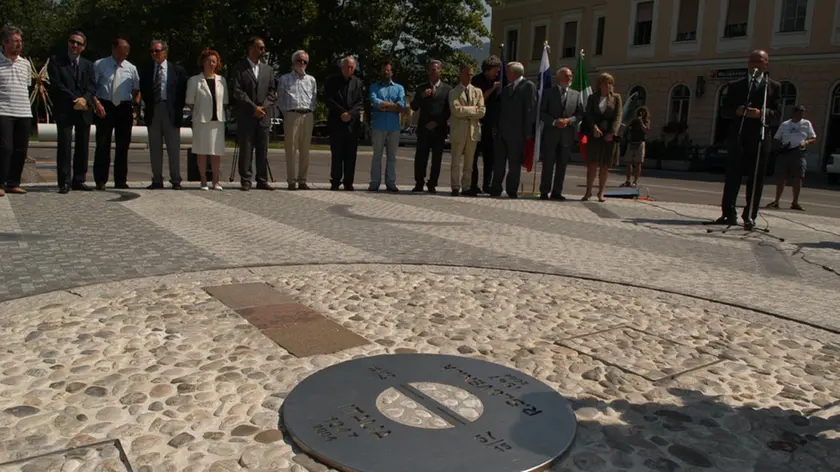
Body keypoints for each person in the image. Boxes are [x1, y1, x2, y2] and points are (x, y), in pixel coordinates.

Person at [714, 50, 782, 230]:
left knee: (756, 178)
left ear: (766, 64)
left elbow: (777, 113)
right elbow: (724, 111)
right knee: (733, 176)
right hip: (738, 135)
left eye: (759, 62)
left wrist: (761, 114)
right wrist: (736, 111)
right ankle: (728, 213)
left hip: (759, 137)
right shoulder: (736, 85)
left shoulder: (772, 87)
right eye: (752, 61)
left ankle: (750, 215)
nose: (755, 65)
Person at [47, 30, 96, 194]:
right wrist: (76, 99)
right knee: (65, 146)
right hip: (65, 109)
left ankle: (79, 179)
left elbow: (92, 86)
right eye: (72, 41)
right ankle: (64, 182)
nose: (74, 45)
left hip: (83, 110)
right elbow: (56, 84)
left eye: (78, 43)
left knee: (82, 145)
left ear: (83, 47)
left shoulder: (88, 65)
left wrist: (85, 99)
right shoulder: (55, 61)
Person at [91, 37, 140, 190]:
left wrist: (135, 103)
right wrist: (96, 103)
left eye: (126, 54)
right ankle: (100, 180)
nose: (123, 56)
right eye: (120, 53)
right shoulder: (100, 65)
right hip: (105, 105)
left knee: (123, 145)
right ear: (113, 50)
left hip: (124, 107)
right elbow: (91, 87)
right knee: (103, 144)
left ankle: (120, 180)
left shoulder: (131, 68)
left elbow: (136, 89)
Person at [139, 40, 187, 190]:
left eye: (157, 51)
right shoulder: (146, 70)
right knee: (154, 147)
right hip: (153, 110)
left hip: (170, 110)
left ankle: (176, 179)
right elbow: (144, 91)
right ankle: (157, 179)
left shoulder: (177, 70)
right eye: (152, 51)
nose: (154, 54)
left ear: (165, 52)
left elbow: (182, 92)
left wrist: (178, 111)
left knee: (173, 147)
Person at [231, 36, 276, 191]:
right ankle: (246, 180)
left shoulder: (268, 70)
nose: (263, 50)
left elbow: (271, 92)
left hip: (263, 115)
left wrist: (262, 108)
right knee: (246, 148)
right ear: (251, 48)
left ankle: (262, 179)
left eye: (263, 48)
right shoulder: (239, 67)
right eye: (260, 47)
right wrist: (253, 108)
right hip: (246, 115)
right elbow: (238, 92)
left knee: (263, 149)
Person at [490, 61, 535, 198]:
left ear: (514, 73)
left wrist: (528, 132)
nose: (505, 74)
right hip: (502, 132)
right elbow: (500, 110)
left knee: (514, 164)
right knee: (499, 163)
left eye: (508, 71)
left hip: (517, 133)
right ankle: (496, 188)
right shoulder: (507, 89)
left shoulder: (528, 86)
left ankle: (512, 189)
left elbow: (530, 109)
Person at [185, 50, 228, 190]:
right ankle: (203, 180)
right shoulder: (194, 80)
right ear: (203, 62)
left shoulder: (222, 80)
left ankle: (216, 180)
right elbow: (190, 102)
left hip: (218, 121)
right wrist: (201, 111)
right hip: (201, 121)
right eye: (208, 61)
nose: (211, 64)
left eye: (214, 61)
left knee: (216, 152)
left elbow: (225, 101)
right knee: (202, 151)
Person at [538, 67, 583, 201]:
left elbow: (580, 114)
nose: (570, 78)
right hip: (551, 134)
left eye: (570, 76)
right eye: (567, 76)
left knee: (562, 165)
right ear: (559, 78)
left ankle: (557, 192)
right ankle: (544, 191)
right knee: (548, 164)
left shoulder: (576, 94)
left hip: (567, 136)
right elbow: (541, 112)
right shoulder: (548, 93)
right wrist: (554, 122)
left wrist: (569, 121)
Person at [0, 25, 33, 197]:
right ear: (4, 43)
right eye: (15, 41)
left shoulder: (25, 64)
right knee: (6, 148)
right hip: (4, 111)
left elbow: (26, 86)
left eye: (20, 41)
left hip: (24, 111)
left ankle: (13, 183)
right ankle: (1, 182)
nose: (19, 44)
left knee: (21, 149)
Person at [410, 60, 451, 193]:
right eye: (431, 70)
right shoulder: (421, 87)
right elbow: (414, 106)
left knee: (436, 159)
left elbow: (448, 110)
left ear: (441, 71)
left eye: (436, 69)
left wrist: (437, 122)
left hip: (439, 129)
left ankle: (432, 183)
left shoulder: (447, 89)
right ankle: (419, 182)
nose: (433, 72)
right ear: (427, 71)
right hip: (423, 129)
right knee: (421, 157)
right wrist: (422, 96)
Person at [278, 49, 317, 190]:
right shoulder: (284, 79)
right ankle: (291, 181)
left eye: (305, 61)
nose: (302, 63)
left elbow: (314, 99)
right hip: (291, 115)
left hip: (307, 115)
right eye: (299, 60)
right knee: (291, 149)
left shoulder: (311, 80)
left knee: (305, 150)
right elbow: (280, 99)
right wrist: (288, 113)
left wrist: (309, 110)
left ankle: (302, 180)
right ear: (293, 62)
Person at [582, 73, 622, 202]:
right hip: (595, 134)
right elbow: (588, 114)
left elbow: (618, 117)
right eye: (606, 83)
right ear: (600, 85)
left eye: (611, 83)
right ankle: (588, 192)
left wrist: (612, 132)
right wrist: (594, 127)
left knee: (605, 165)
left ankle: (601, 192)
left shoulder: (616, 98)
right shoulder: (593, 98)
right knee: (592, 164)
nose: (609, 86)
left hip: (609, 136)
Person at [324, 56, 363, 191]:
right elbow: (329, 100)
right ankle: (335, 181)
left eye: (352, 67)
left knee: (351, 155)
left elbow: (360, 103)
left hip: (352, 125)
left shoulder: (358, 83)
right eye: (347, 67)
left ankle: (348, 182)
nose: (350, 69)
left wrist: (350, 114)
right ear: (342, 67)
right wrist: (342, 113)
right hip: (337, 122)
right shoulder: (332, 81)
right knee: (337, 154)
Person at [766, 104, 815, 211]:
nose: (801, 114)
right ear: (794, 113)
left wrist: (806, 142)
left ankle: (795, 202)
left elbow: (813, 137)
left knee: (798, 177)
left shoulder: (806, 124)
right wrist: (780, 146)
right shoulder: (785, 124)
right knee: (781, 177)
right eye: (799, 112)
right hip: (785, 153)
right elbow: (777, 138)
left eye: (802, 112)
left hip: (798, 152)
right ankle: (777, 200)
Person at [447, 64, 485, 196]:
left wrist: (467, 111)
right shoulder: (453, 92)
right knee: (456, 161)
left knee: (469, 162)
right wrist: (472, 109)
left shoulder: (478, 91)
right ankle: (455, 186)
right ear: (461, 75)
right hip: (459, 131)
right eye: (467, 74)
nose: (470, 77)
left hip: (473, 131)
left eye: (471, 75)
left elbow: (482, 111)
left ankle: (466, 186)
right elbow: (456, 111)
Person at [368, 60, 405, 193]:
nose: (386, 72)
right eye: (383, 70)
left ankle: (391, 183)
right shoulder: (374, 87)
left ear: (392, 72)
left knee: (392, 157)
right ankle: (374, 183)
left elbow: (401, 105)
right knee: (377, 155)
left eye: (388, 70)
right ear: (380, 71)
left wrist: (385, 106)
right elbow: (374, 101)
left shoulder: (399, 88)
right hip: (378, 126)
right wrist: (392, 106)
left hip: (394, 127)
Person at [469, 55, 502, 194]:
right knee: (474, 157)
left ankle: (487, 185)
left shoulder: (500, 80)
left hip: (491, 125)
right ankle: (473, 184)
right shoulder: (477, 80)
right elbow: (478, 100)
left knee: (490, 158)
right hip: (477, 123)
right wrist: (492, 89)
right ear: (488, 70)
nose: (498, 73)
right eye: (496, 70)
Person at [621, 106, 650, 189]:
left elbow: (646, 130)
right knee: (628, 162)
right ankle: (628, 180)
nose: (641, 114)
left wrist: (641, 122)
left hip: (640, 143)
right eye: (640, 112)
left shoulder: (646, 121)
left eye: (643, 112)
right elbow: (627, 127)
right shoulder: (634, 121)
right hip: (631, 142)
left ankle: (635, 181)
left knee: (638, 163)